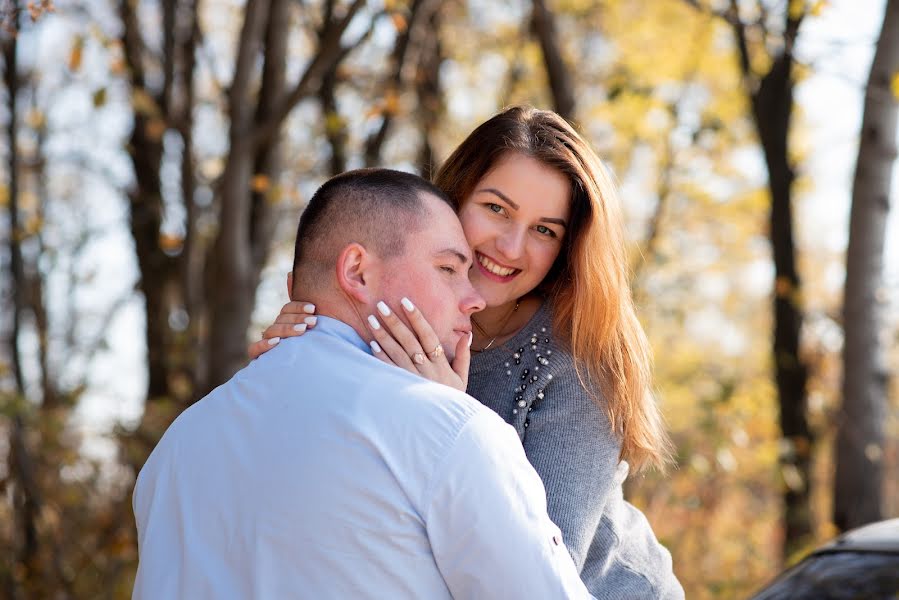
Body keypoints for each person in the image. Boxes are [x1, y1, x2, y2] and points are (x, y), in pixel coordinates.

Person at [252, 106, 685, 598]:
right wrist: (299, 354)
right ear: (453, 198)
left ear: (566, 248)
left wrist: (446, 413)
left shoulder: (578, 364)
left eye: (545, 230)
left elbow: (542, 567)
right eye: (496, 209)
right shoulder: (396, 311)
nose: (510, 247)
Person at [132, 168, 594, 599]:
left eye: (545, 229)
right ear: (357, 271)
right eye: (449, 269)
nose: (472, 298)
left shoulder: (175, 448)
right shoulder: (453, 434)